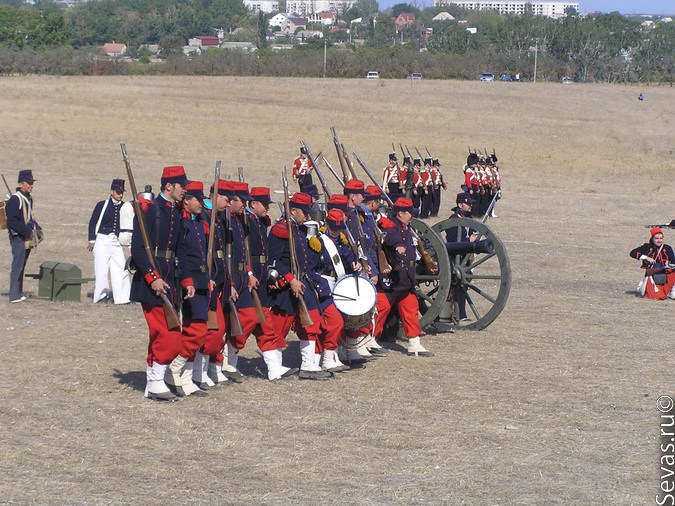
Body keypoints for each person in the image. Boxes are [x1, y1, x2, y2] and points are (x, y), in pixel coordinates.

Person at [130, 165, 190, 401]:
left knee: (166, 333)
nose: (184, 190)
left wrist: (186, 279)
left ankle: (155, 381)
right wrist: (152, 277)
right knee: (167, 334)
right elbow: (138, 248)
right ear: (168, 186)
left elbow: (181, 250)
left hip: (170, 280)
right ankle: (155, 383)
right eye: (181, 185)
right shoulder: (151, 210)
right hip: (152, 281)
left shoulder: (176, 213)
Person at [267, 192, 332, 380]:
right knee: (281, 326)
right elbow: (274, 261)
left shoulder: (298, 229)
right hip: (286, 285)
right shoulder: (280, 230)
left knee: (312, 322)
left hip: (302, 283)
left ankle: (308, 364)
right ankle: (276, 367)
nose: (308, 216)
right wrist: (290, 279)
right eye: (304, 212)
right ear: (293, 211)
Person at [87, 178, 131, 304]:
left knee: (120, 268)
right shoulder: (102, 205)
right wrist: (92, 240)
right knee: (101, 269)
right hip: (102, 239)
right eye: (118, 192)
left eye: (122, 192)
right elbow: (93, 223)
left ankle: (123, 297)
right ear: (111, 191)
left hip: (115, 240)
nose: (120, 195)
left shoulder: (124, 207)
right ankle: (102, 296)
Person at [6, 170, 39, 303]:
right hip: (18, 237)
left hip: (25, 236)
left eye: (32, 182)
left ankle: (18, 292)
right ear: (21, 183)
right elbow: (12, 222)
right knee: (17, 264)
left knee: (22, 264)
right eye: (29, 183)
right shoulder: (15, 199)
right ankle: (14, 295)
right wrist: (26, 230)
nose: (31, 185)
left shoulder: (28, 198)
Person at [445, 193, 478, 321]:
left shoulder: (468, 220)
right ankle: (458, 314)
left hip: (465, 259)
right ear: (460, 205)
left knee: (464, 286)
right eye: (467, 203)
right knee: (459, 285)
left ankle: (461, 314)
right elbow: (453, 240)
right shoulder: (453, 220)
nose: (470, 206)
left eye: (471, 203)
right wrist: (468, 240)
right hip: (455, 258)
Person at [629, 227, 675, 300]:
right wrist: (646, 258)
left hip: (665, 273)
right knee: (658, 296)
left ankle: (673, 291)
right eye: (656, 238)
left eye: (661, 238)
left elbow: (673, 261)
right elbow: (633, 253)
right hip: (652, 275)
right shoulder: (647, 247)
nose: (659, 240)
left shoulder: (667, 248)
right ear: (652, 238)